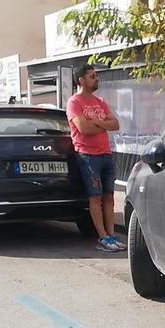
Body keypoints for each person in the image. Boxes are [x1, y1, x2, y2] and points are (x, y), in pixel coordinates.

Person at [66, 64, 126, 252]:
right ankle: (103, 237)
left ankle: (112, 235)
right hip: (88, 156)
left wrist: (98, 122)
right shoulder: (74, 102)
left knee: (109, 197)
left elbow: (116, 124)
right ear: (81, 80)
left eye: (96, 75)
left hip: (105, 153)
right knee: (96, 197)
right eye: (92, 76)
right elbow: (84, 129)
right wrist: (104, 125)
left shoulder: (100, 101)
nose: (96, 78)